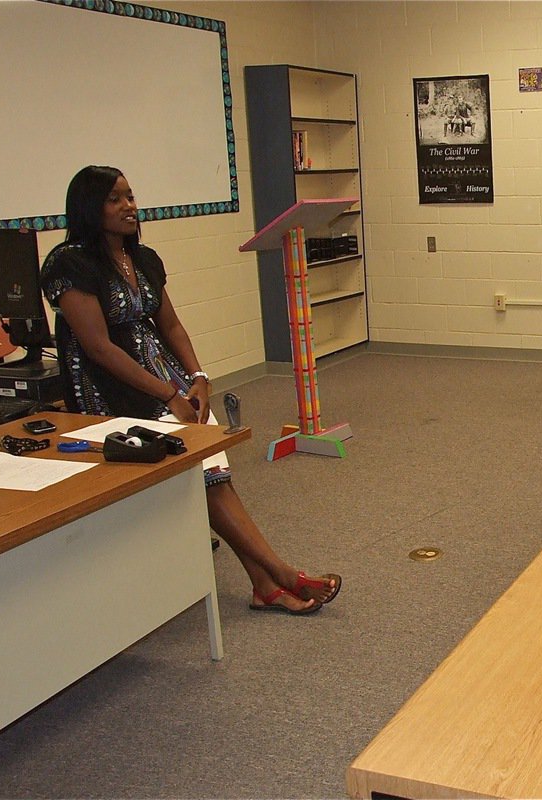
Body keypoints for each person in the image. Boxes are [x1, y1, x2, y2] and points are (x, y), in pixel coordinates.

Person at [40, 165, 341, 616]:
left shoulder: (141, 258)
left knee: (215, 480)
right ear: (89, 207)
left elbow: (172, 324)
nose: (129, 206)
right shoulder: (70, 264)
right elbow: (99, 348)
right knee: (208, 484)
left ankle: (266, 584)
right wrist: (166, 395)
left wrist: (197, 378)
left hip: (170, 380)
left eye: (131, 196)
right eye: (115, 199)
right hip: (117, 393)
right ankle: (282, 574)